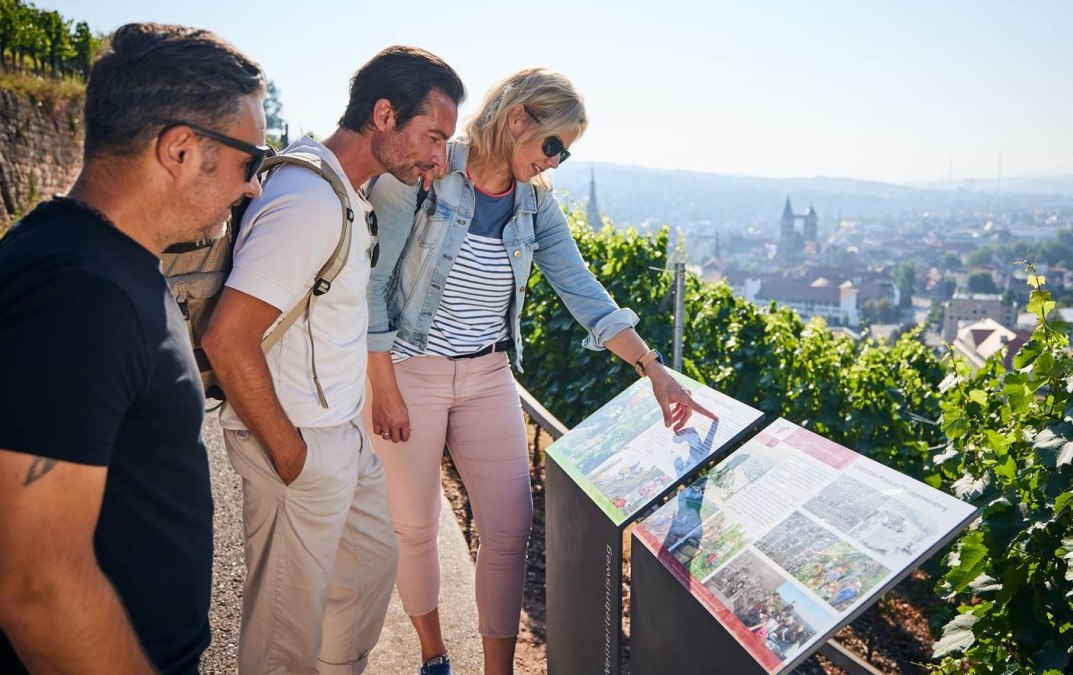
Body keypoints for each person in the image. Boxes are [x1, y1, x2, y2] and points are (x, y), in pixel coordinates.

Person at [365, 67, 717, 675]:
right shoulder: (426, 170)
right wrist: (383, 385)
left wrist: (653, 369)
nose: (555, 161)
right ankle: (434, 656)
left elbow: (584, 291)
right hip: (410, 370)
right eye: (553, 144)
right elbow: (372, 286)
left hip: (489, 376)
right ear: (517, 119)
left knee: (509, 528)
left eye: (565, 153)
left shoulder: (536, 206)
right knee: (414, 525)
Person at [0, 23, 266, 674]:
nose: (254, 187)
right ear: (180, 150)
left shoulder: (97, 263)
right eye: (250, 161)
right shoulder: (83, 294)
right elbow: (35, 584)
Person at [201, 47, 464, 674]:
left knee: (369, 571)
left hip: (340, 436)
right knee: (284, 637)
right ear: (384, 114)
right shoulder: (309, 199)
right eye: (433, 136)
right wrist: (292, 454)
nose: (439, 158)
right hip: (297, 443)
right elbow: (227, 338)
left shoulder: (347, 192)